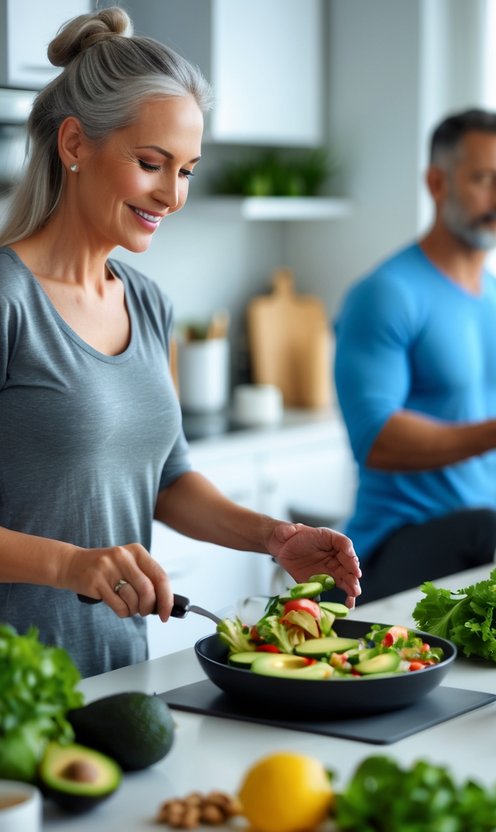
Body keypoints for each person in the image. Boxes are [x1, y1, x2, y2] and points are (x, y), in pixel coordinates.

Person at [0, 7, 361, 678]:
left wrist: (271, 537)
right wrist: (71, 563)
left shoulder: (146, 301)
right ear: (75, 144)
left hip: (117, 668)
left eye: (187, 170)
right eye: (151, 163)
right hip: (17, 685)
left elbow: (166, 480)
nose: (171, 194)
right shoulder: (8, 299)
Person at [334, 108, 496, 602]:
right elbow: (376, 440)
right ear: (437, 182)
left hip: (482, 528)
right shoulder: (386, 293)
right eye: (484, 180)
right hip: (392, 546)